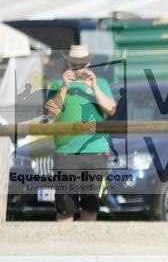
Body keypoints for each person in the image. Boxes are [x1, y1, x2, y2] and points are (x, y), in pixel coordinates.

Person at [43, 45, 117, 222]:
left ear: (89, 63)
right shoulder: (56, 84)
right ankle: (64, 247)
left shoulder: (101, 84)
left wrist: (95, 87)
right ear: (68, 62)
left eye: (82, 64)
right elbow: (50, 113)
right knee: (65, 208)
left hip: (95, 151)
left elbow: (111, 109)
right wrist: (63, 87)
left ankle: (86, 246)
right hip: (66, 152)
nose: (78, 68)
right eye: (75, 64)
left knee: (90, 204)